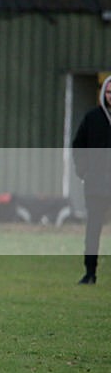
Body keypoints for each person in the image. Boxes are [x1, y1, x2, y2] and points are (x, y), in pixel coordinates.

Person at [72, 74, 111, 285]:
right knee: (93, 229)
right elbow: (78, 145)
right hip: (96, 185)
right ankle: (90, 272)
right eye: (108, 91)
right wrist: (83, 171)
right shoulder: (92, 118)